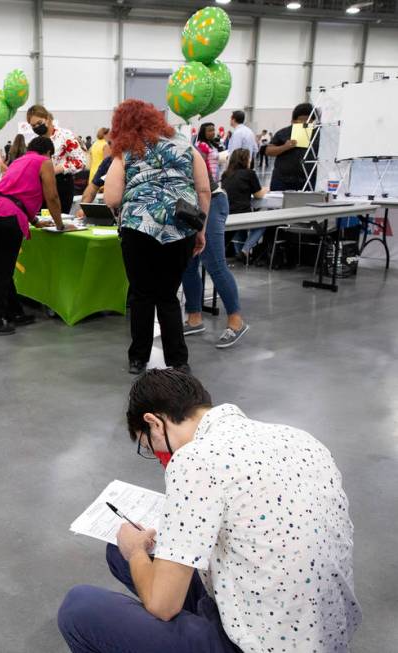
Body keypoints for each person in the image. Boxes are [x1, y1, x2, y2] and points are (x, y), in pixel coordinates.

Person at [58, 369, 362, 653]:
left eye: (148, 446)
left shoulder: (194, 460)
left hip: (254, 644)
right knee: (118, 551)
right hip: (318, 632)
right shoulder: (299, 438)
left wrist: (137, 551)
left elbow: (162, 606)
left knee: (78, 608)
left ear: (153, 422)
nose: (158, 455)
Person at [104, 99, 210, 375]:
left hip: (139, 227)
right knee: (168, 295)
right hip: (180, 226)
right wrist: (200, 230)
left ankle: (138, 358)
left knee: (141, 294)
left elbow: (112, 197)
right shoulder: (186, 145)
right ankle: (178, 360)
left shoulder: (125, 151)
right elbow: (204, 190)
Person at [0, 136, 69, 336]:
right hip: (6, 216)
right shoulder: (44, 162)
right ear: (49, 152)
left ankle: (14, 312)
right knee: (3, 272)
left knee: (0, 269)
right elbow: (52, 197)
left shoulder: (19, 161)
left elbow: (15, 194)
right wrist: (60, 225)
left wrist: (34, 221)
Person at [181, 149, 250, 349]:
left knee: (215, 264)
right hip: (187, 206)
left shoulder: (180, 148)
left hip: (210, 201)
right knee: (188, 264)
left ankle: (236, 322)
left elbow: (203, 190)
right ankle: (194, 319)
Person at [19, 105, 88, 213]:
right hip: (39, 185)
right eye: (33, 126)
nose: (37, 127)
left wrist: (59, 168)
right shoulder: (35, 140)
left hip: (62, 183)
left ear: (47, 118)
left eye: (39, 123)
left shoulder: (65, 135)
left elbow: (81, 162)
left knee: (59, 218)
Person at [223, 148, 269, 264]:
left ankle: (241, 254)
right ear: (245, 160)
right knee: (264, 223)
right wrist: (266, 189)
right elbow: (258, 195)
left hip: (228, 213)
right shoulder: (249, 173)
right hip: (243, 213)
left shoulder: (226, 174)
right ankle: (245, 251)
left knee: (238, 228)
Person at [266, 103, 316, 191]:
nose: (305, 124)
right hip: (282, 181)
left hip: (308, 181)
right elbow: (268, 151)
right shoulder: (283, 133)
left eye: (309, 121)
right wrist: (284, 147)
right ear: (293, 121)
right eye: (301, 121)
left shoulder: (317, 134)